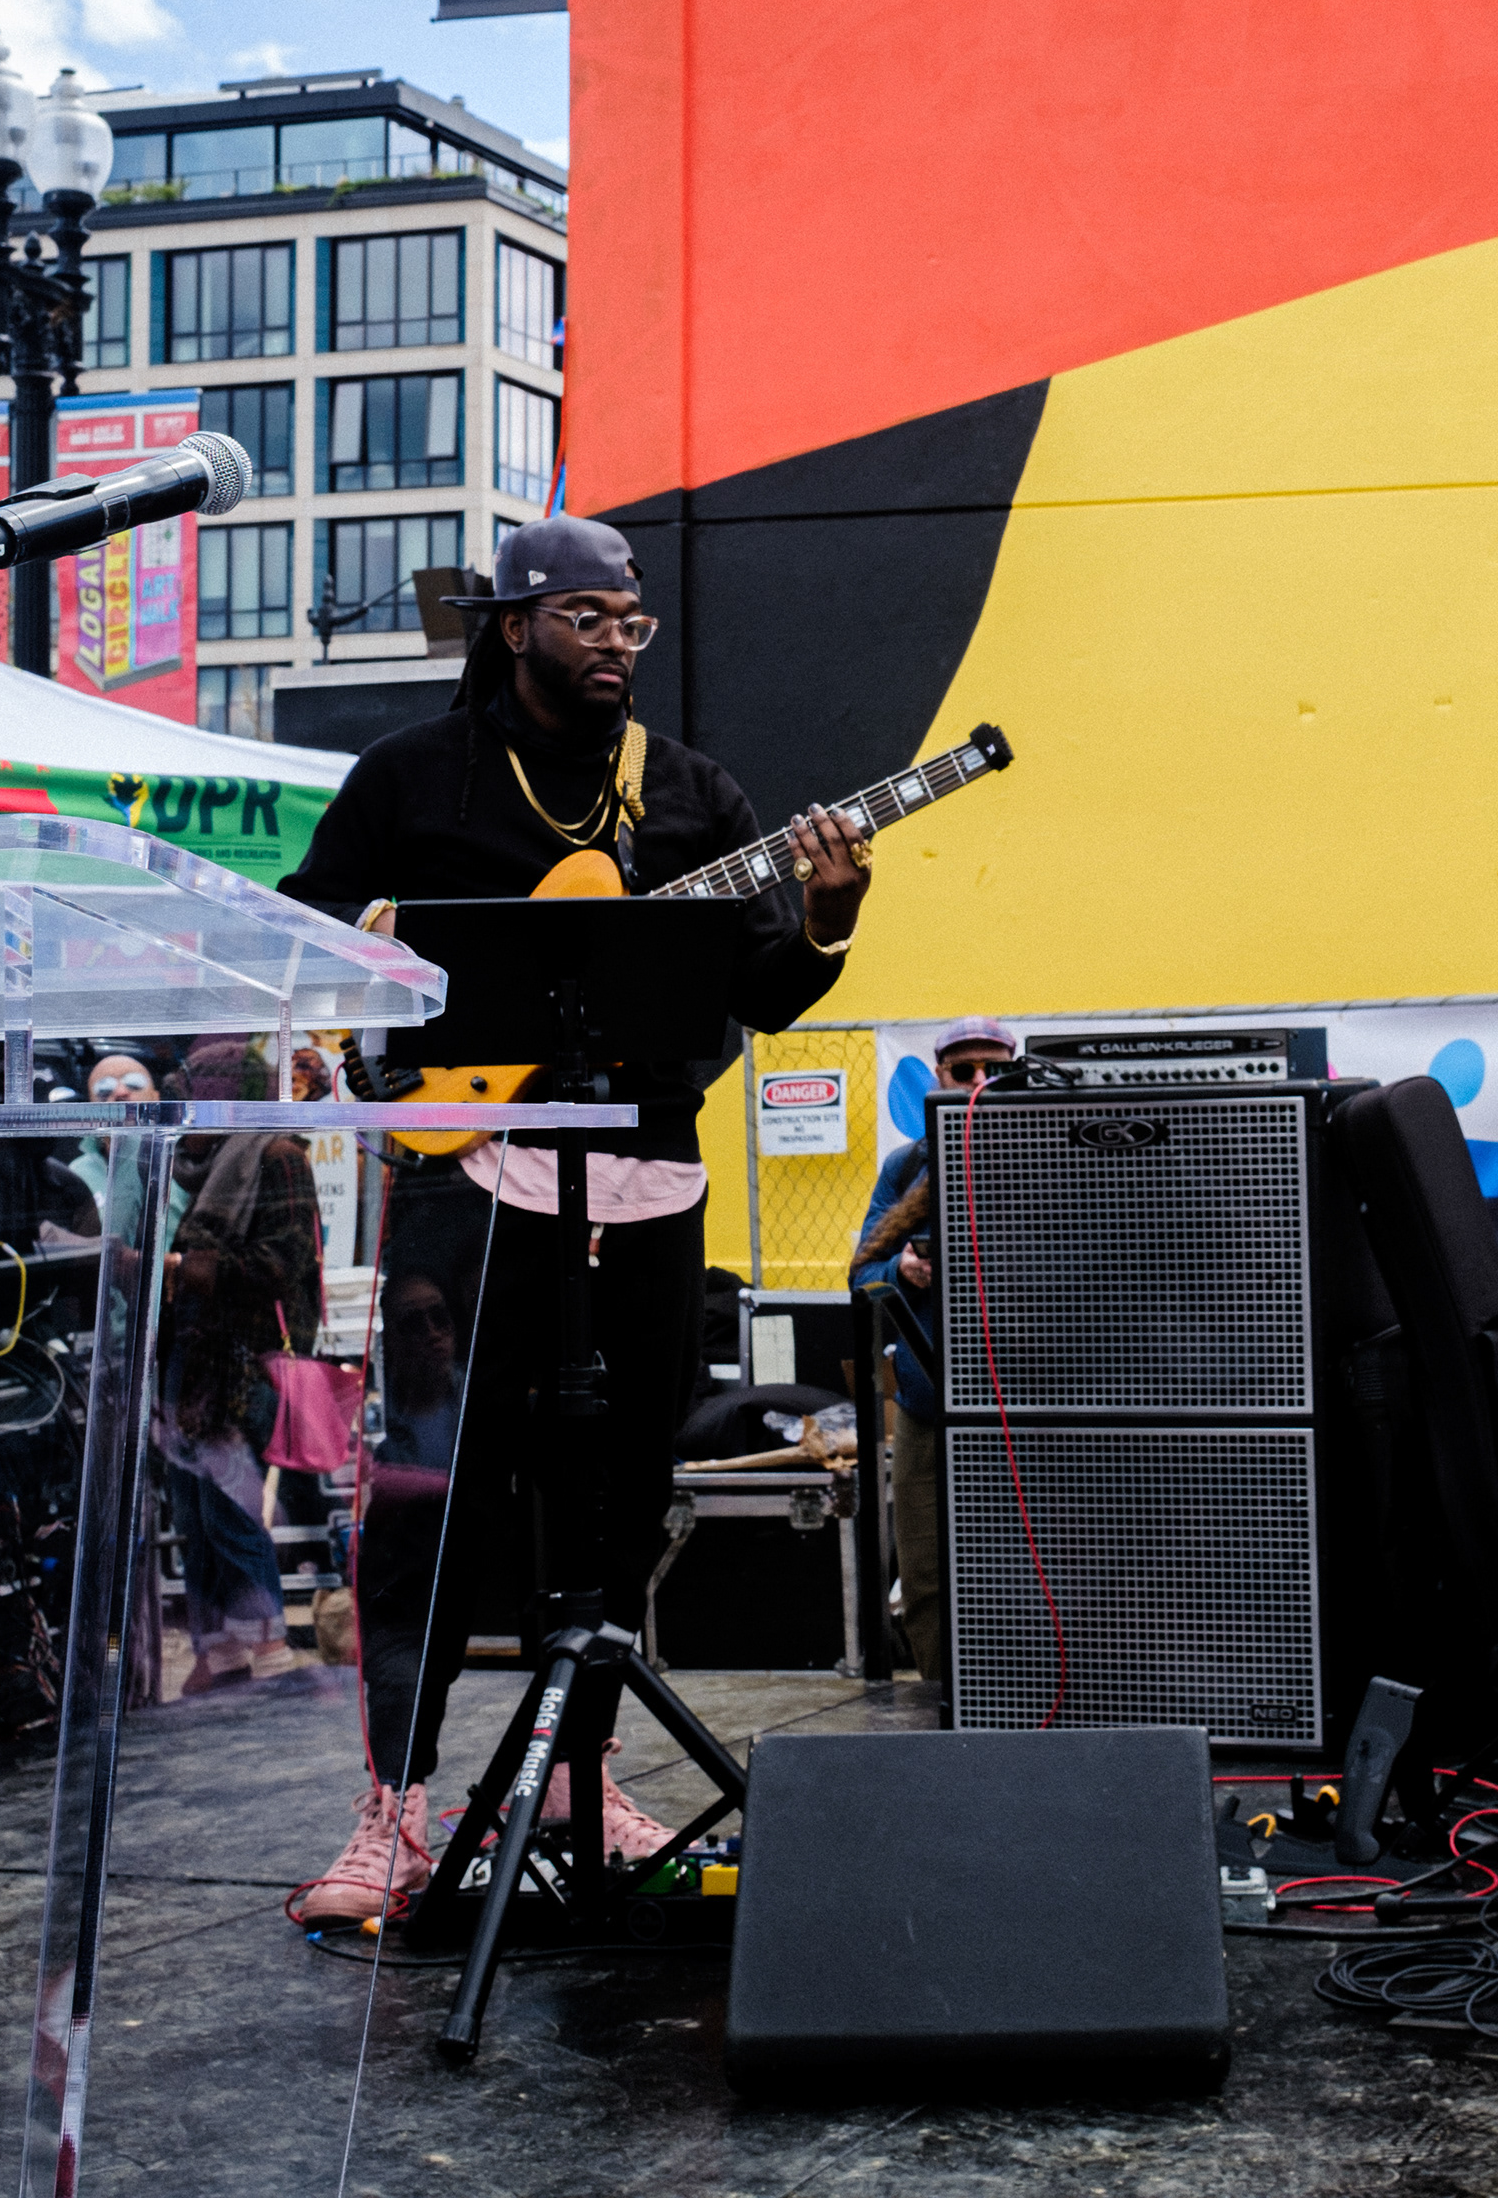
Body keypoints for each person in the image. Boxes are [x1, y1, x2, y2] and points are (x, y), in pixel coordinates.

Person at [278, 515, 870, 1922]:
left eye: (632, 621)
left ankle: (577, 1774)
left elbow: (769, 993)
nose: (617, 642)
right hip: (471, 1168)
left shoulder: (690, 791)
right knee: (435, 1494)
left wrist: (834, 912)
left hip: (647, 1173)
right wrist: (389, 963)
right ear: (515, 623)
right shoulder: (415, 776)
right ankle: (394, 1815)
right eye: (589, 617)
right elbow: (310, 920)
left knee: (616, 1497)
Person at [149, 1038, 323, 1693]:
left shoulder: (275, 1156)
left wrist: (186, 1270)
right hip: (192, 1363)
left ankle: (269, 1648)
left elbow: (286, 1264)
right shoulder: (208, 1167)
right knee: (193, 1512)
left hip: (243, 1364)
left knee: (228, 1510)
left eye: (189, 1098)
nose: (181, 1117)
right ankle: (220, 1652)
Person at [848, 1018, 1016, 1684]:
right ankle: (946, 1702)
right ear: (937, 1079)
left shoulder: (1050, 1152)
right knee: (925, 1570)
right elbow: (861, 1270)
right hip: (928, 1401)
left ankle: (1024, 1693)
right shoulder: (909, 1166)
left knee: (1038, 1558)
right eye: (964, 1070)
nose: (979, 1084)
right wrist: (902, 1274)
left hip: (1026, 1401)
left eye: (995, 1070)